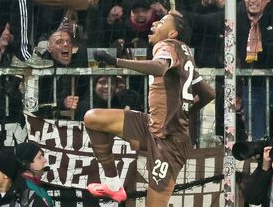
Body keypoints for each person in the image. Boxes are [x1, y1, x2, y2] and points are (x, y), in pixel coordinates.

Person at [84, 11, 215, 206]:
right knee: (93, 118)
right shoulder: (185, 54)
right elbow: (208, 93)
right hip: (151, 125)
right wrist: (185, 113)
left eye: (161, 22)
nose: (154, 24)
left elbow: (159, 67)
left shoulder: (167, 45)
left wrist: (116, 62)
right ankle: (112, 184)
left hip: (170, 141)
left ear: (173, 34)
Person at [14, 142, 54, 207]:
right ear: (26, 164)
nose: (45, 160)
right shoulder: (27, 190)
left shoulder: (33, 184)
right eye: (39, 157)